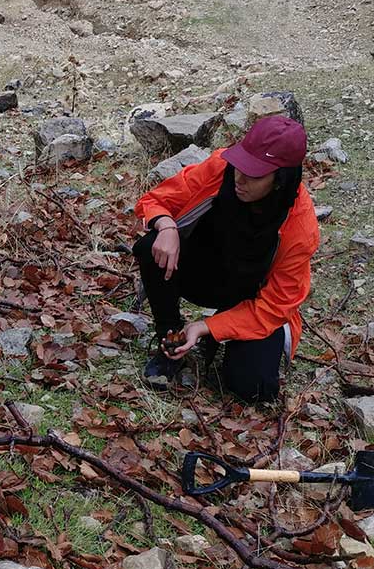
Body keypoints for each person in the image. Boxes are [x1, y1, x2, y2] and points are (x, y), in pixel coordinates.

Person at [131, 115, 319, 403]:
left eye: (254, 174)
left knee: (254, 386)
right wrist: (166, 226)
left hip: (252, 297)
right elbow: (156, 199)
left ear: (281, 180)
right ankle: (169, 339)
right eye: (240, 165)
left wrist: (208, 327)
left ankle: (220, 328)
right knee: (151, 246)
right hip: (206, 271)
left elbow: (275, 307)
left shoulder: (300, 228)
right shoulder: (222, 167)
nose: (239, 178)